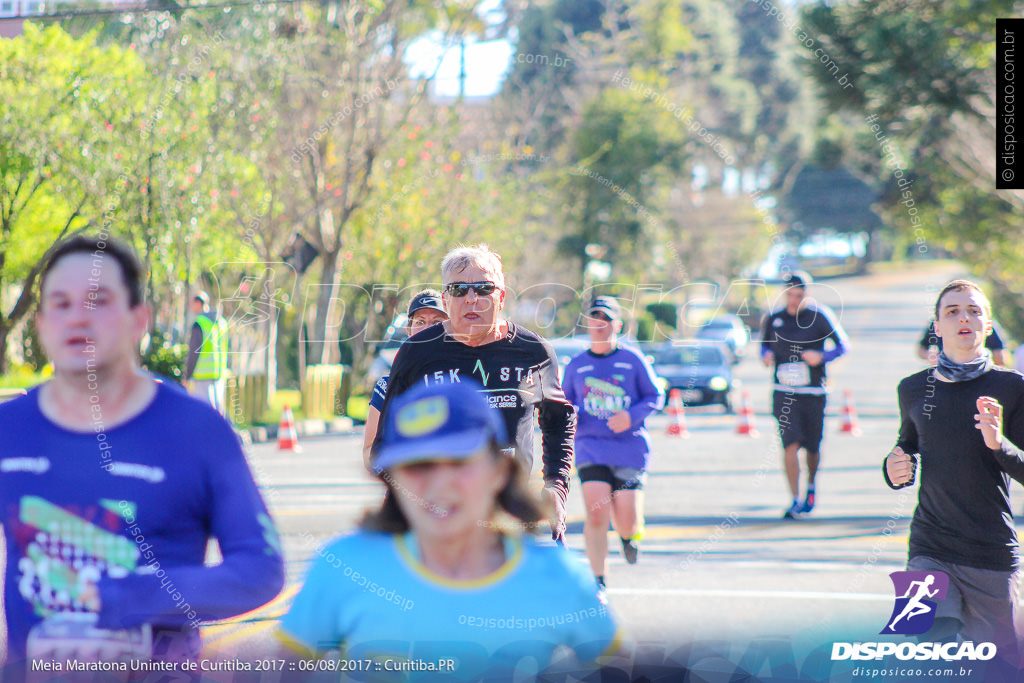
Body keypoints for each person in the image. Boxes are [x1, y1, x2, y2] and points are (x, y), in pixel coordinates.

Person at [0, 236, 284, 671]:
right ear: (40, 325)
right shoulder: (11, 428)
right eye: (61, 303)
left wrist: (138, 594)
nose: (78, 317)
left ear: (139, 320)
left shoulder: (198, 430)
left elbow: (259, 569)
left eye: (98, 301)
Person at [280, 381, 620, 680]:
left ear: (500, 471)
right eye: (418, 466)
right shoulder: (344, 567)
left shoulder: (558, 577)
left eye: (459, 462)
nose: (439, 485)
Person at [373, 244, 576, 543]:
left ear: (501, 296)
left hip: (509, 509)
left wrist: (556, 486)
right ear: (445, 298)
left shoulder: (533, 351)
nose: (471, 299)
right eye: (458, 289)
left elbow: (559, 420)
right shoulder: (417, 352)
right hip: (438, 511)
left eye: (483, 288)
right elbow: (388, 437)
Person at [884, 279, 1024, 663]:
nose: (964, 317)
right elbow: (907, 447)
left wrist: (999, 445)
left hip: (990, 553)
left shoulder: (1012, 387)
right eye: (952, 311)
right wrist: (894, 468)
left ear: (988, 326)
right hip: (929, 546)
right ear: (937, 327)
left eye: (974, 311)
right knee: (928, 650)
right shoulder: (912, 389)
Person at [562, 296, 664, 592]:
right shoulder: (577, 365)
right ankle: (598, 579)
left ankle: (630, 537)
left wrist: (630, 416)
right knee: (596, 513)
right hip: (591, 447)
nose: (599, 325)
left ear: (617, 324)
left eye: (606, 319)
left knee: (627, 519)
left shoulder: (632, 359)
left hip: (629, 449)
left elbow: (655, 396)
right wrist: (571, 417)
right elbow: (566, 403)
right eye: (595, 318)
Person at [759, 270, 849, 519]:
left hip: (813, 392)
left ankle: (810, 487)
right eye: (790, 294)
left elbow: (843, 346)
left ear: (807, 293)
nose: (794, 300)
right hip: (784, 393)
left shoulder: (820, 317)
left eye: (799, 295)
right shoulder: (774, 319)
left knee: (812, 447)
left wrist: (821, 356)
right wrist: (765, 356)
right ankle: (795, 500)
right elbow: (763, 346)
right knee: (790, 444)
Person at [361, 289, 448, 470]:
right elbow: (370, 452)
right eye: (420, 322)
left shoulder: (463, 379)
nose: (427, 328)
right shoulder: (387, 385)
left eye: (437, 322)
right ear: (409, 330)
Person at [183, 291, 229, 413]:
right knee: (218, 412)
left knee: (203, 413)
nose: (190, 307)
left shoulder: (200, 323)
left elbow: (194, 351)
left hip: (202, 375)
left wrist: (187, 375)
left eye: (191, 303)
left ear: (199, 303)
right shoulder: (221, 322)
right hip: (219, 374)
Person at [918, 317, 1008, 366]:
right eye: (953, 311)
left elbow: (1000, 357)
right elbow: (921, 349)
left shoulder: (984, 324)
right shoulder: (937, 324)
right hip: (944, 375)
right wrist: (932, 356)